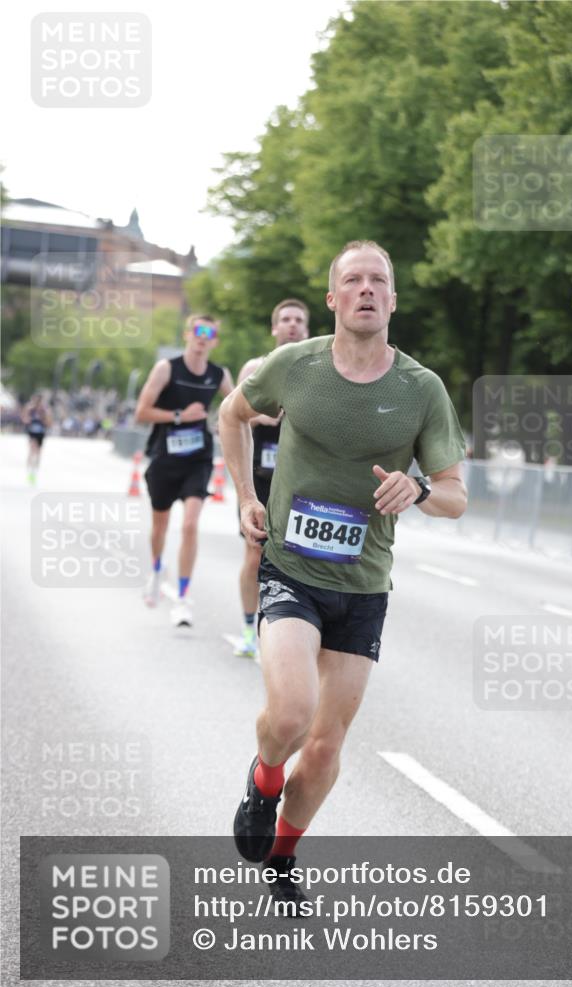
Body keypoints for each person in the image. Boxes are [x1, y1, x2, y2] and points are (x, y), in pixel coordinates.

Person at [219, 240, 467, 908]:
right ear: (333, 299)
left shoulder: (420, 390)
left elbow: (453, 494)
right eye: (351, 280)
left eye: (376, 280)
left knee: (325, 748)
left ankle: (282, 856)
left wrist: (416, 492)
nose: (364, 289)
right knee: (292, 714)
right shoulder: (293, 366)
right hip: (291, 569)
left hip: (361, 586)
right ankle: (264, 780)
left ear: (391, 298)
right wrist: (245, 493)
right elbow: (232, 415)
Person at [135, 315, 234, 627]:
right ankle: (155, 569)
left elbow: (235, 406)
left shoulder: (219, 374)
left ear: (215, 340)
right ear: (187, 334)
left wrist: (225, 421)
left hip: (198, 459)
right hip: (165, 457)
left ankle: (182, 597)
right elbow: (141, 412)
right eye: (198, 331)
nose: (203, 337)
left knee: (190, 525)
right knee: (160, 526)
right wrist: (180, 415)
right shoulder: (167, 368)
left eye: (210, 333)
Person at [233, 299, 310, 658]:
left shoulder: (315, 371)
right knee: (255, 555)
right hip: (261, 478)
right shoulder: (255, 367)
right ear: (274, 328)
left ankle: (288, 633)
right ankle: (250, 630)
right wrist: (263, 417)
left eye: (298, 320)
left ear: (306, 331)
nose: (292, 325)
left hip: (299, 481)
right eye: (285, 319)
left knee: (295, 561)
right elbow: (232, 419)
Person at [22, 393, 51, 485]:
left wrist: (43, 419)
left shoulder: (44, 410)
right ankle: (29, 470)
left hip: (41, 432)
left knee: (38, 451)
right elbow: (24, 419)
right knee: (32, 448)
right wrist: (28, 420)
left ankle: (35, 470)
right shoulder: (30, 409)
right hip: (32, 432)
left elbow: (49, 422)